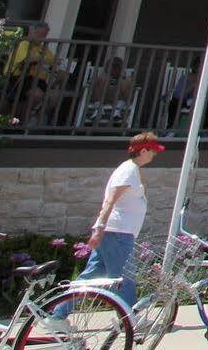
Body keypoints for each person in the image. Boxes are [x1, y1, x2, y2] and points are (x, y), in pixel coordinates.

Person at [63, 132, 163, 312]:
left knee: (91, 277)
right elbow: (111, 200)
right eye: (152, 151)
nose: (154, 154)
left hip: (116, 232)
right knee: (124, 277)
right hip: (118, 233)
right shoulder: (128, 171)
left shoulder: (131, 169)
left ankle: (58, 315)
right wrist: (99, 227)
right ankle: (131, 319)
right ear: (143, 151)